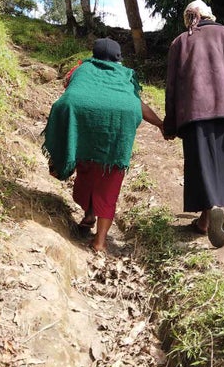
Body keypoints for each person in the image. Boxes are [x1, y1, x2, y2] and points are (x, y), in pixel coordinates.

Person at [43, 38, 164, 253]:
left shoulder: (82, 68)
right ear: (118, 58)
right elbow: (138, 104)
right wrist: (161, 125)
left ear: (94, 53)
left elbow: (70, 90)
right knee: (109, 185)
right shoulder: (125, 75)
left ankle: (88, 215)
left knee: (86, 173)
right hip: (116, 134)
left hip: (85, 129)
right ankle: (99, 241)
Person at [162, 0, 224, 248]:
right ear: (209, 14)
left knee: (199, 164)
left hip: (192, 110)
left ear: (191, 17)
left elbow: (171, 86)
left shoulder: (180, 41)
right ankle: (206, 219)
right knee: (221, 163)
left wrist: (170, 123)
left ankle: (208, 211)